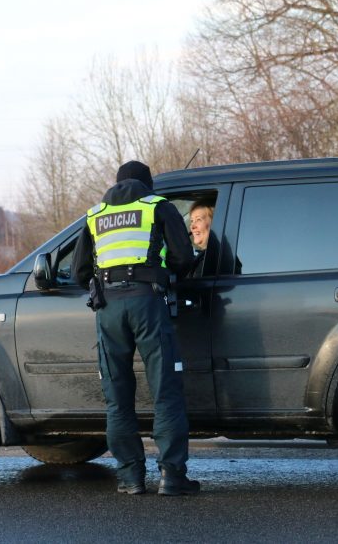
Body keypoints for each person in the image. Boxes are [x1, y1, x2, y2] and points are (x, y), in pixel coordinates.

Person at [72, 160, 200, 496]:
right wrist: (165, 272)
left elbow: (78, 271)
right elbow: (183, 258)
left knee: (117, 397)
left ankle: (130, 479)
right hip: (148, 303)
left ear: (115, 183)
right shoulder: (157, 206)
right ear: (148, 184)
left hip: (108, 309)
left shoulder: (94, 215)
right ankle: (172, 477)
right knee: (165, 392)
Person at [187, 199, 215, 277]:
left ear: (215, 222)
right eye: (192, 221)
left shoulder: (212, 261)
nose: (192, 227)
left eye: (198, 219)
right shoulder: (207, 256)